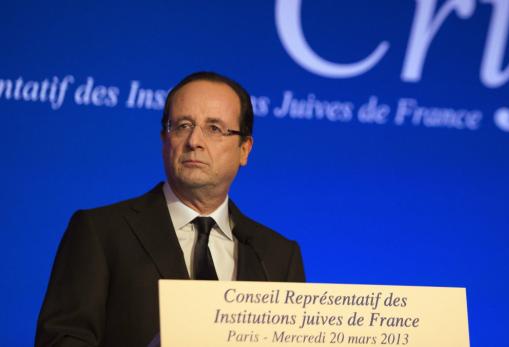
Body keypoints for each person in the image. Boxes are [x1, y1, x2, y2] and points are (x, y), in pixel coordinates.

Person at [35, 71, 306, 346]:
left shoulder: (277, 257)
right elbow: (62, 340)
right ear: (165, 139)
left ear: (244, 149)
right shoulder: (101, 233)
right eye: (183, 126)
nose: (194, 141)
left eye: (214, 128)